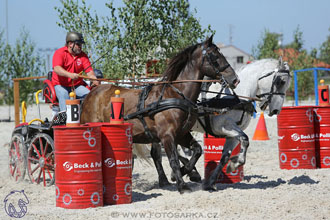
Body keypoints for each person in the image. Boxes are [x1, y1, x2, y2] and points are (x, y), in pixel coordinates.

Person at [52, 31, 99, 112]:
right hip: (60, 85)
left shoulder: (83, 56)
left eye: (81, 45)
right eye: (78, 44)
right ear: (70, 44)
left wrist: (94, 79)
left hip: (76, 86)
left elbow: (89, 72)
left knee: (89, 95)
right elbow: (57, 69)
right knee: (64, 94)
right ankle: (65, 118)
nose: (80, 47)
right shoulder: (60, 53)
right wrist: (70, 75)